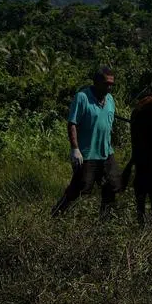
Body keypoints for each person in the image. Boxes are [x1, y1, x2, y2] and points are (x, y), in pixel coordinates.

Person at [50, 65, 122, 218]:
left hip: (106, 153)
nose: (109, 87)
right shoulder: (82, 97)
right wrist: (75, 148)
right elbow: (72, 124)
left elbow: (108, 124)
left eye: (111, 84)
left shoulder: (110, 100)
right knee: (80, 188)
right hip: (87, 154)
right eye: (106, 83)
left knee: (113, 185)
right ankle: (57, 214)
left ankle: (105, 219)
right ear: (96, 82)